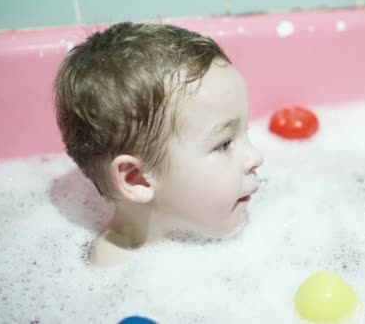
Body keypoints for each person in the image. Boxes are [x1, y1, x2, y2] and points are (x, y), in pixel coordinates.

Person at [54, 22, 264, 267]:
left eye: (245, 132)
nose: (256, 157)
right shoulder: (118, 279)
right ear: (138, 179)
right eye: (224, 144)